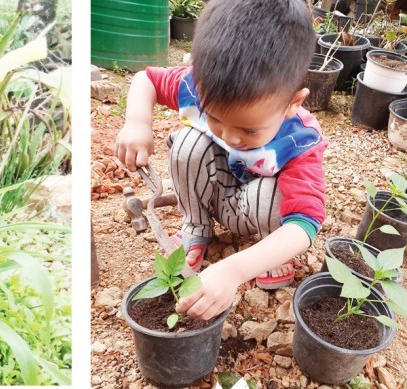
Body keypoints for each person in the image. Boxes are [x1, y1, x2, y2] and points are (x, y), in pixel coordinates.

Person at [114, 0, 328, 321]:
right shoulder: (196, 85)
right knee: (187, 142)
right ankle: (196, 226)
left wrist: (233, 270)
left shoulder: (300, 140)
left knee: (275, 193)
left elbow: (305, 224)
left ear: (291, 104)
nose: (229, 136)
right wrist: (137, 123)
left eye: (249, 129)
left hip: (257, 210)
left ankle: (268, 255)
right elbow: (147, 80)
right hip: (215, 192)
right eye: (214, 118)